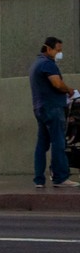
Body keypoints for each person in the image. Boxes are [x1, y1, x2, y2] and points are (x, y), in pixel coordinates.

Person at [30, 36, 74, 188]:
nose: (59, 53)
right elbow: (57, 84)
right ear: (48, 49)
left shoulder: (37, 63)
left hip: (40, 108)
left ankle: (39, 180)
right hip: (52, 108)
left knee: (41, 144)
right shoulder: (48, 64)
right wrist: (69, 90)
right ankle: (60, 177)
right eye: (58, 50)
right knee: (58, 142)